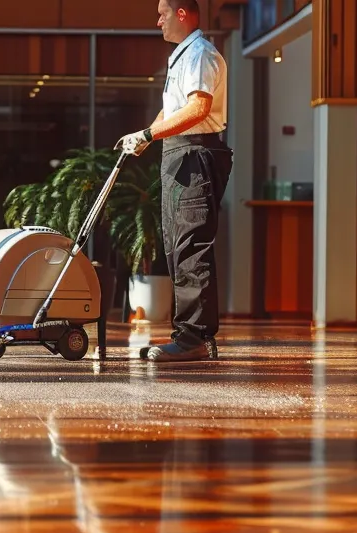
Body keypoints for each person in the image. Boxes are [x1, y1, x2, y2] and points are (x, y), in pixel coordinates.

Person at [119, 0, 233, 363]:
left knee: (190, 245)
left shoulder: (200, 53)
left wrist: (150, 134)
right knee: (176, 246)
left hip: (195, 155)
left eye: (163, 14)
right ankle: (187, 335)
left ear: (182, 14)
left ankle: (194, 339)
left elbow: (198, 108)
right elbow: (173, 110)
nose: (158, 21)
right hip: (178, 153)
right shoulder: (182, 56)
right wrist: (146, 134)